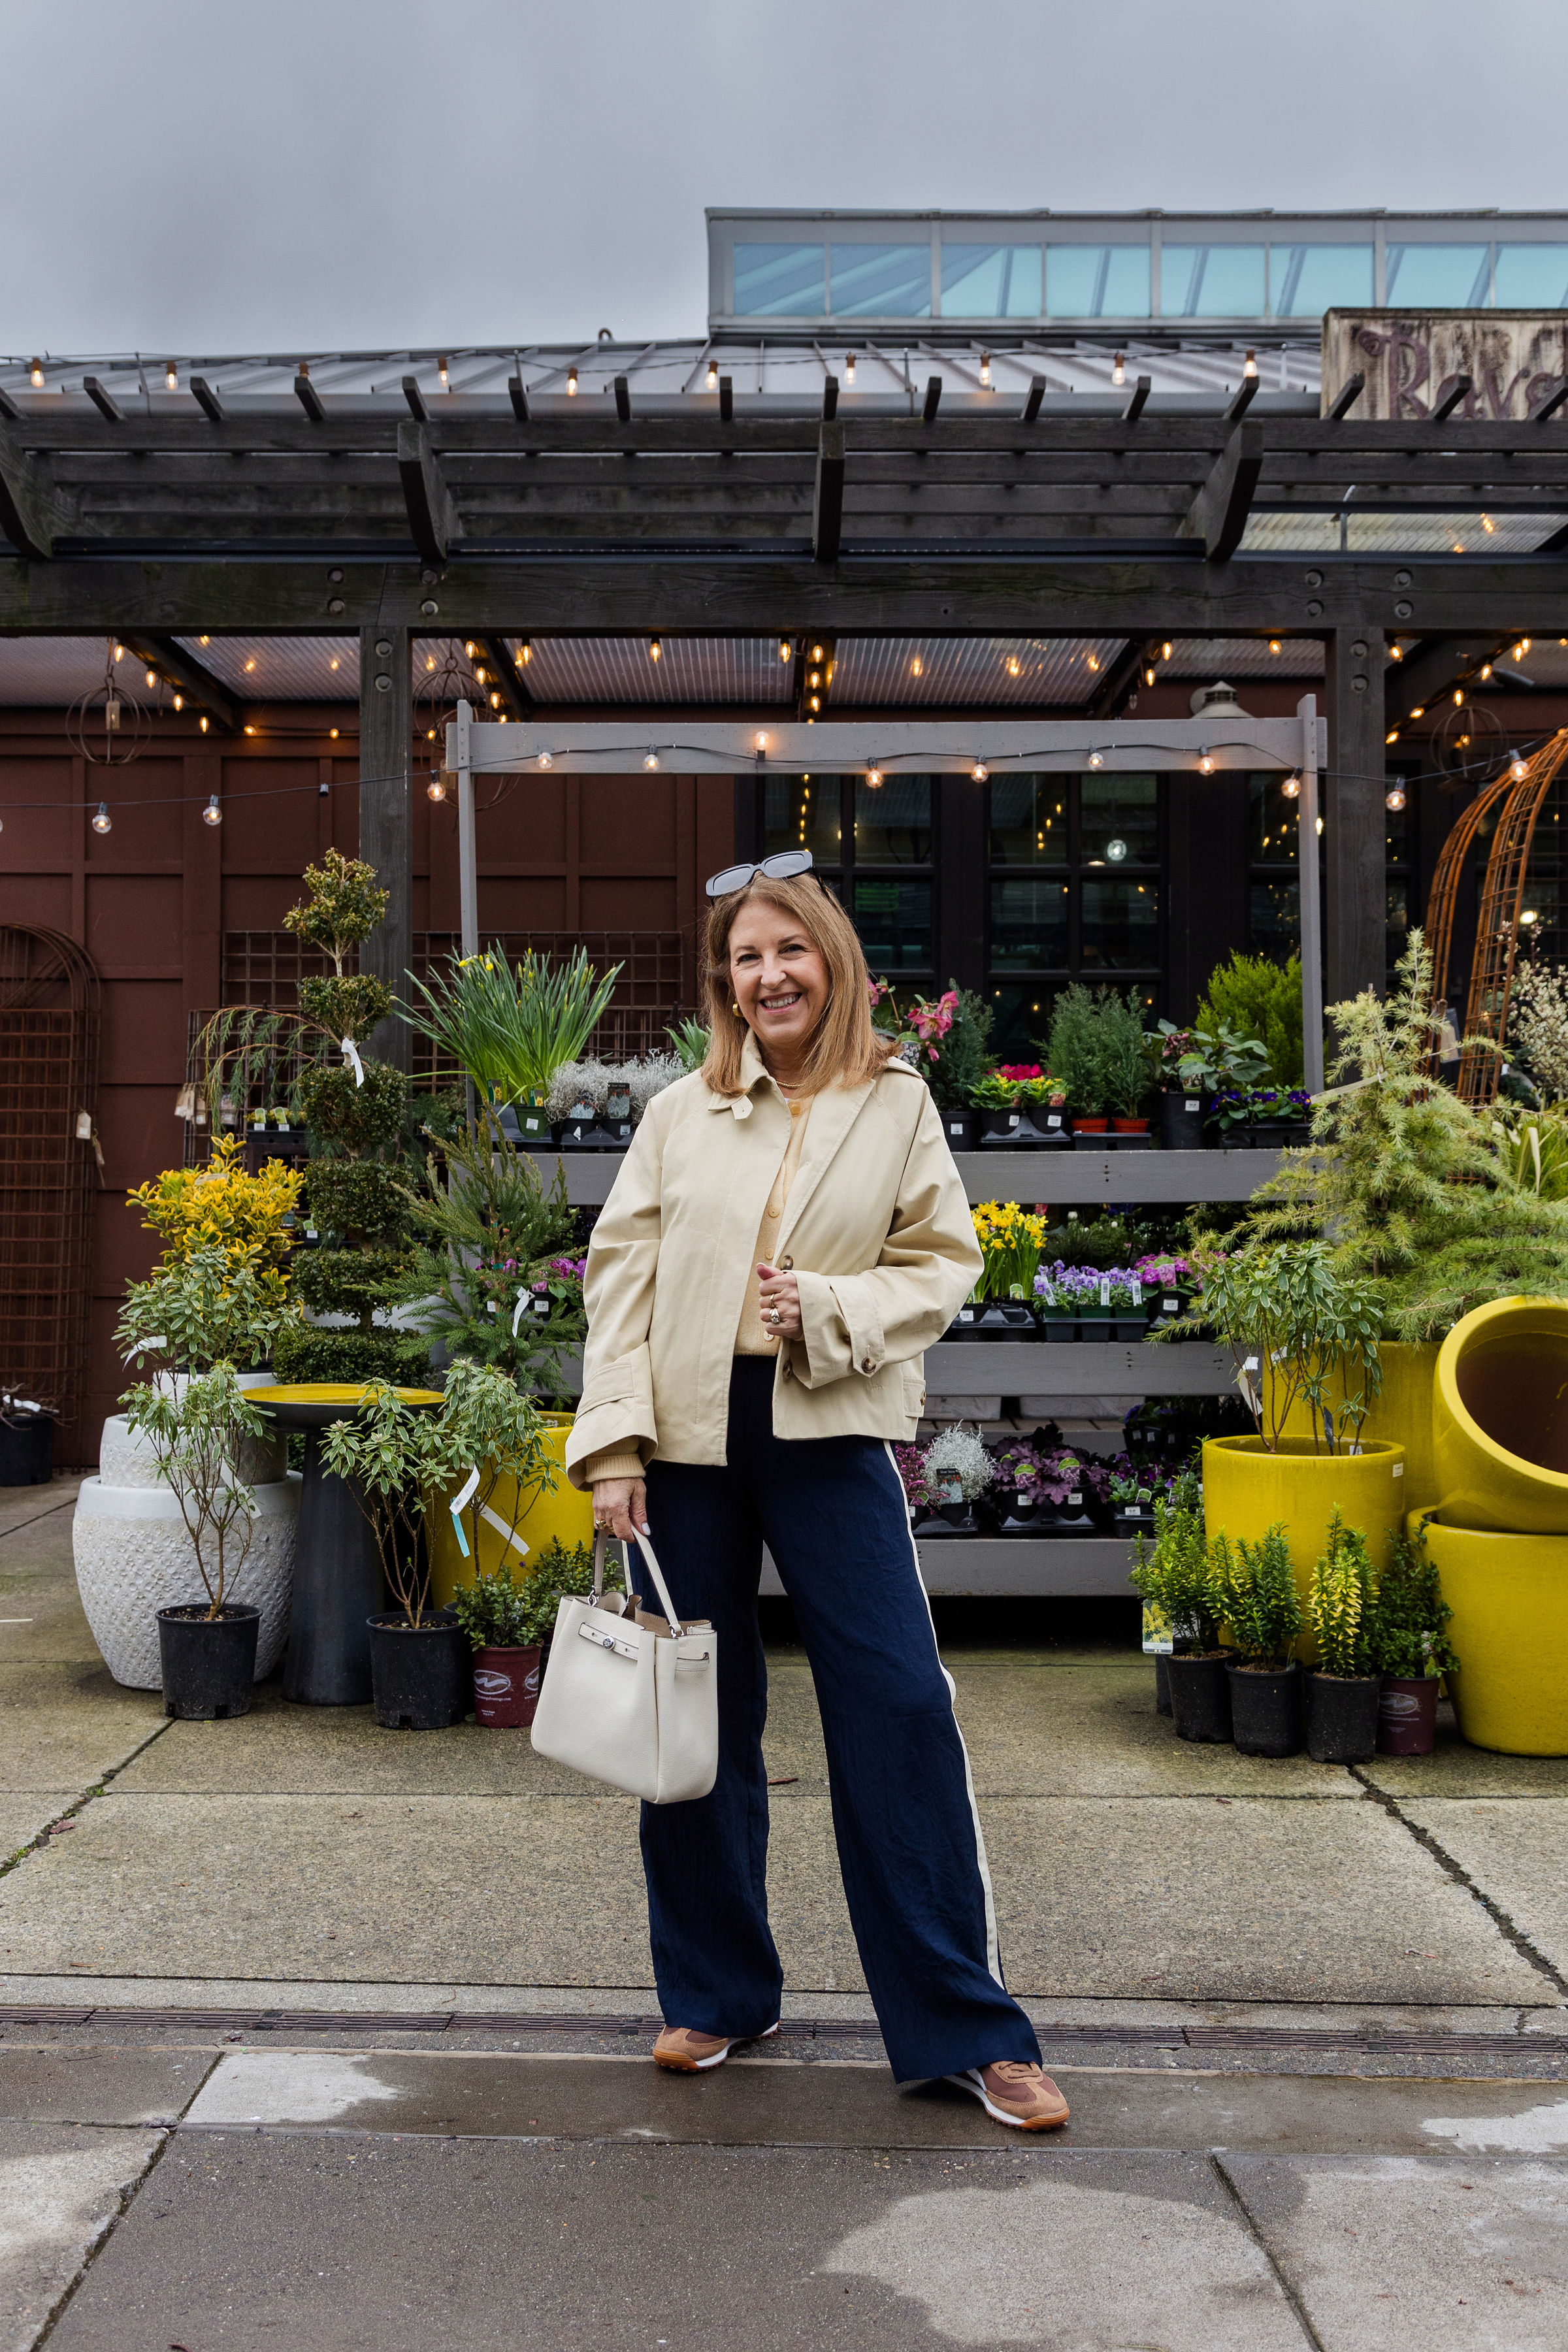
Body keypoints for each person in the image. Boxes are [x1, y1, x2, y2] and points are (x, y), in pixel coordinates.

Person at [565, 849, 1068, 2132]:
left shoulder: (894, 1103)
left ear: (831, 961)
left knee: (898, 1706)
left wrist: (829, 1310)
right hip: (684, 1439)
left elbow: (942, 1264)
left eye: (789, 949)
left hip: (829, 1425)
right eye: (746, 957)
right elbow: (619, 1281)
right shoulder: (682, 1114)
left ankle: (967, 2029)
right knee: (696, 1718)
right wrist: (613, 1447)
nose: (769, 974)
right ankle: (719, 1994)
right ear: (725, 983)